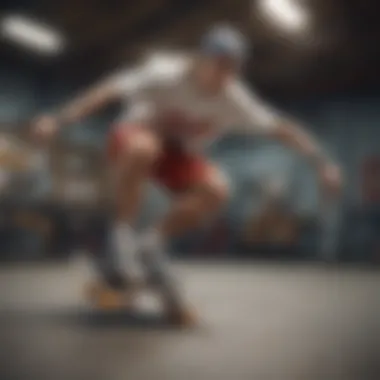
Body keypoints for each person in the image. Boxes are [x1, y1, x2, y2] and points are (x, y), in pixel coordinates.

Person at [32, 25, 342, 326]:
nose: (225, 75)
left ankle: (151, 244)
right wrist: (59, 120)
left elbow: (282, 129)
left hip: (177, 154)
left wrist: (321, 162)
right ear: (200, 59)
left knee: (217, 189)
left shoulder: (235, 99)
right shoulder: (164, 72)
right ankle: (122, 237)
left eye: (233, 69)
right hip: (133, 136)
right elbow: (107, 91)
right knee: (144, 148)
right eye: (219, 65)